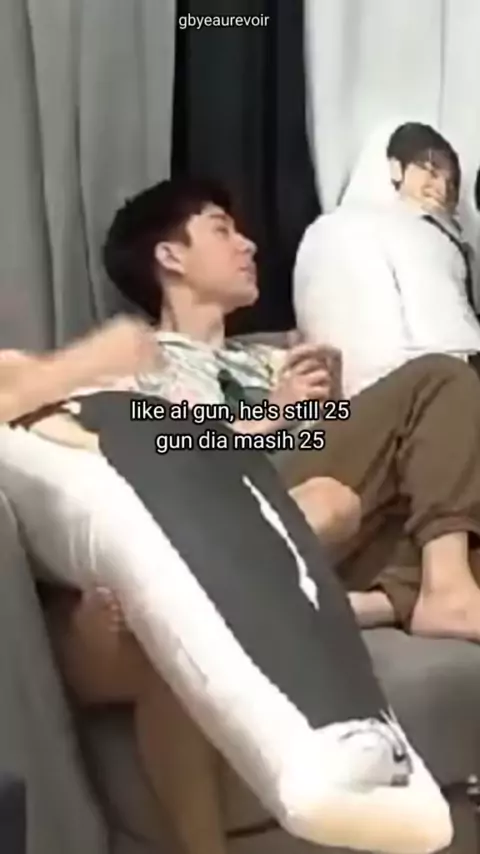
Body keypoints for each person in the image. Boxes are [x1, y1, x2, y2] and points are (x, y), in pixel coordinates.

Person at [293, 120, 480, 397]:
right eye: (430, 171)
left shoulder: (447, 244)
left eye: (450, 182)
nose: (441, 187)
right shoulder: (345, 228)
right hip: (414, 394)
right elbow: (365, 349)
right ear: (394, 167)